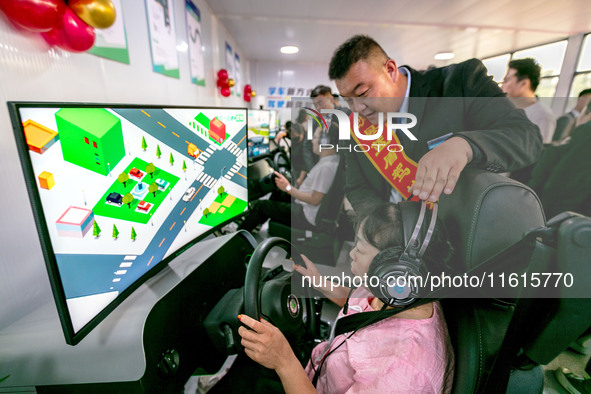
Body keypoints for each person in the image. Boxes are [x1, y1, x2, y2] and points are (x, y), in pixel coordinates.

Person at [237, 201, 455, 393]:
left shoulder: (401, 372)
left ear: (393, 270)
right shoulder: (401, 293)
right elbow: (362, 305)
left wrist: (284, 362)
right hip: (317, 371)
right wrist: (321, 284)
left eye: (359, 249)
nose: (351, 254)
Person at [327, 35, 542, 212]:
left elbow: (526, 138)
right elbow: (357, 187)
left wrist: (465, 146)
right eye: (348, 99)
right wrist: (379, 226)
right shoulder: (355, 125)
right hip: (391, 244)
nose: (358, 108)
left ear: (391, 70)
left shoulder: (458, 83)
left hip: (454, 242)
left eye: (363, 93)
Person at [238, 125, 340, 232]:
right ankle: (256, 222)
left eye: (315, 138)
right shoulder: (332, 160)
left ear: (324, 141)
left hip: (305, 214)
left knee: (261, 205)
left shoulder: (326, 167)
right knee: (278, 192)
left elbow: (314, 200)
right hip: (306, 208)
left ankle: (238, 237)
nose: (312, 141)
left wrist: (288, 188)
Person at [501, 58, 556, 144]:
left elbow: (538, 154)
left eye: (506, 81)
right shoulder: (506, 110)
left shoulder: (543, 117)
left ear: (523, 84)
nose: (502, 87)